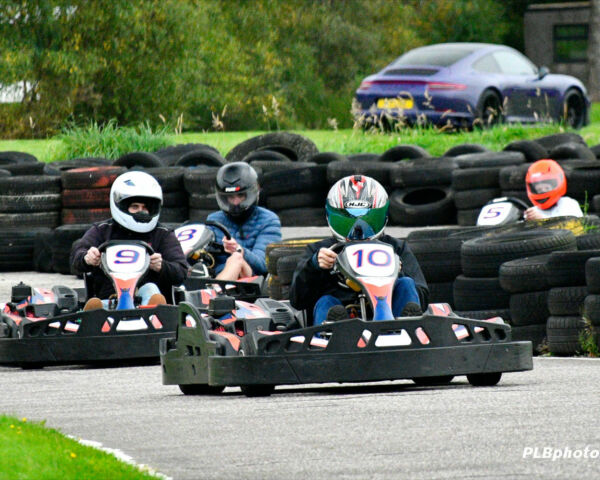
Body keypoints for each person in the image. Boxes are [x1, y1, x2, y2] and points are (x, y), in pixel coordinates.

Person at [289, 175, 428, 326]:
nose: (358, 229)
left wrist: (396, 272)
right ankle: (333, 330)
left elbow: (423, 296)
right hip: (342, 316)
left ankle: (410, 325)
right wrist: (314, 265)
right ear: (331, 217)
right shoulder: (320, 251)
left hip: (391, 312)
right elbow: (298, 301)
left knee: (407, 283)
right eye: (348, 221)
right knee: (326, 301)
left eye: (366, 221)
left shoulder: (396, 248)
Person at [71, 171, 188, 309]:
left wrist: (161, 266)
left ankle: (152, 308)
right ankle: (96, 313)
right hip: (110, 299)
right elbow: (76, 257)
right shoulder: (102, 230)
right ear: (122, 206)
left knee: (150, 288)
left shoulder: (163, 234)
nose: (141, 211)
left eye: (145, 208)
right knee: (100, 304)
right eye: (135, 207)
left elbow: (181, 271)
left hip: (149, 307)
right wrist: (87, 258)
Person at [205, 162, 281, 281]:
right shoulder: (213, 220)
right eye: (230, 197)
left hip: (254, 280)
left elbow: (263, 264)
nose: (235, 202)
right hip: (220, 275)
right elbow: (209, 261)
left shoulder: (268, 220)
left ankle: (213, 294)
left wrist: (238, 250)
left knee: (236, 259)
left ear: (252, 193)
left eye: (240, 196)